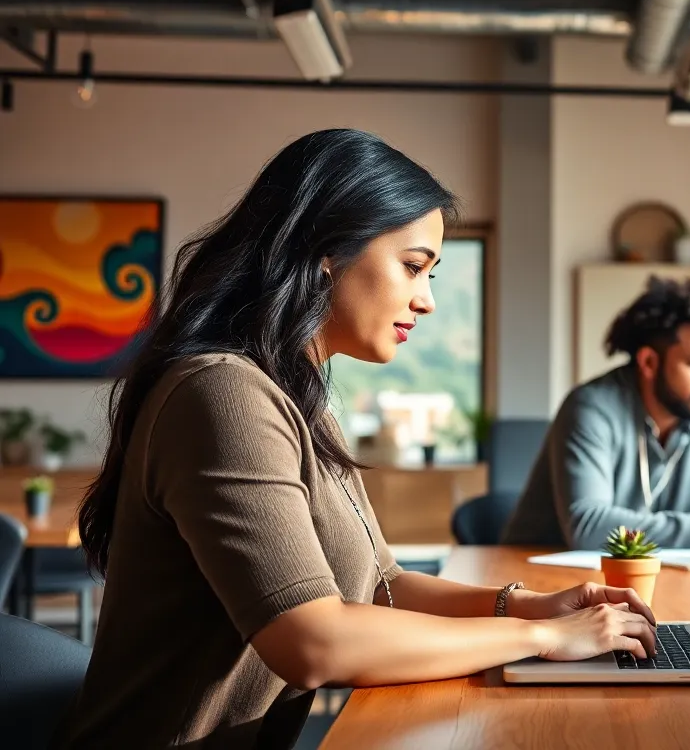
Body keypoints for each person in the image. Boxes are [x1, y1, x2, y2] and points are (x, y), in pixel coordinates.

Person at [58, 129, 656, 749]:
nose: (425, 301)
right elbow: (314, 642)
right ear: (325, 251)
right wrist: (548, 640)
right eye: (412, 267)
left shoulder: (296, 392)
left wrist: (532, 606)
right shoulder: (223, 395)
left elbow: (379, 585)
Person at [501, 276, 690, 550]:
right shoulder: (590, 408)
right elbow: (588, 527)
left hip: (649, 575)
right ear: (649, 362)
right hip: (539, 575)